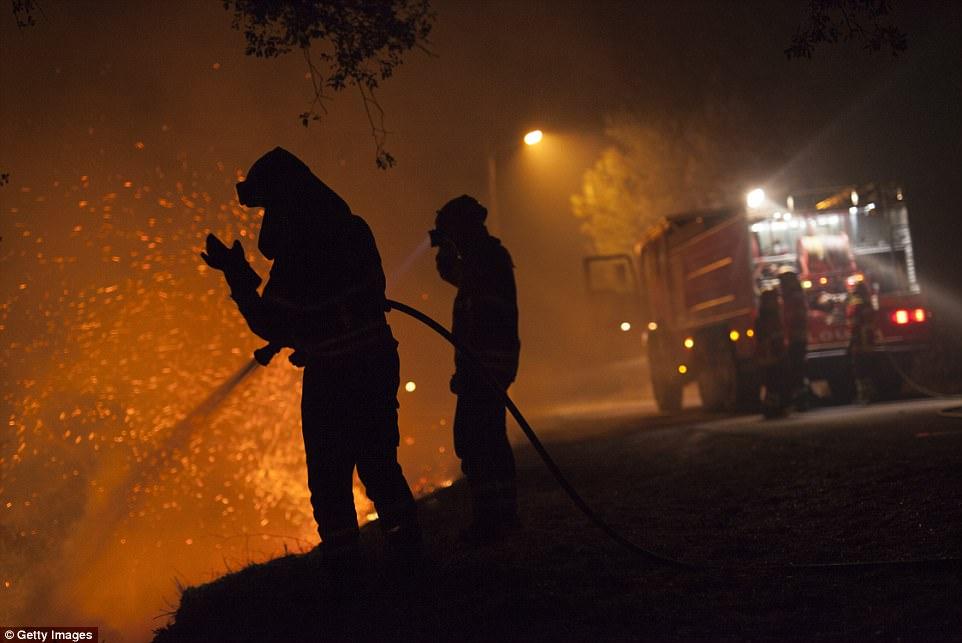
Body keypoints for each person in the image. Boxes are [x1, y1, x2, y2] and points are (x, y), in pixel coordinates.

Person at [201, 147, 420, 567]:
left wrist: (237, 275)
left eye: (269, 206)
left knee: (329, 479)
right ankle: (408, 557)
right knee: (379, 466)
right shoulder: (353, 230)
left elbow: (271, 320)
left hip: (335, 378)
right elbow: (346, 305)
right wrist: (308, 335)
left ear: (286, 200)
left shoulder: (301, 252)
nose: (268, 219)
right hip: (375, 365)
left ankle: (344, 573)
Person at [430, 195, 521, 543]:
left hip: (485, 364)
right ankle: (500, 515)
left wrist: (471, 367)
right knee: (485, 438)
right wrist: (444, 250)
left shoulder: (486, 258)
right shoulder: (485, 257)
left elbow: (480, 318)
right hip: (488, 363)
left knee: (476, 439)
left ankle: (493, 518)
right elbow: (453, 274)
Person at [777, 267, 809, 410]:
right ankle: (800, 397)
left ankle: (799, 399)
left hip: (796, 338)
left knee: (795, 369)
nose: (781, 286)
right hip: (797, 338)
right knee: (797, 368)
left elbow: (793, 318)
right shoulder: (794, 295)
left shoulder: (792, 297)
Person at [755, 288, 787, 418]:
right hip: (772, 357)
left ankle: (773, 408)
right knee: (773, 383)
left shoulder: (763, 318)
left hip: (770, 357)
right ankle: (773, 409)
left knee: (773, 384)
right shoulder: (769, 318)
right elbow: (770, 337)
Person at [847, 281, 878, 404]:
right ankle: (870, 393)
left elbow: (854, 326)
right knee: (869, 368)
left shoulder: (857, 307)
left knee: (860, 370)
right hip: (869, 343)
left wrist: (851, 343)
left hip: (859, 342)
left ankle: (864, 395)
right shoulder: (869, 305)